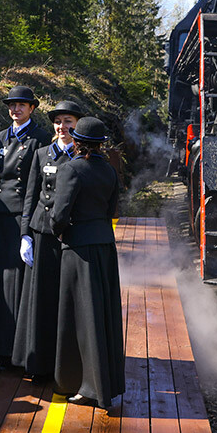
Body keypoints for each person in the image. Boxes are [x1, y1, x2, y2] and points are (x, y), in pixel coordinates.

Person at [50, 116, 124, 409]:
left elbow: (60, 213)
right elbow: (112, 208)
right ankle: (107, 384)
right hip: (104, 246)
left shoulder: (71, 169)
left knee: (80, 317)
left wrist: (58, 232)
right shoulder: (109, 170)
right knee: (102, 314)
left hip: (78, 248)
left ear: (77, 142)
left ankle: (82, 385)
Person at [12, 99, 84, 379]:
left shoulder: (82, 156)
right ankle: (38, 362)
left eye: (68, 122)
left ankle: (63, 364)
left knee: (64, 300)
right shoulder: (43, 154)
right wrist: (25, 234)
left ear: (77, 125)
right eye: (58, 122)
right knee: (40, 300)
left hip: (69, 236)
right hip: (42, 234)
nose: (63, 127)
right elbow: (30, 195)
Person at [0, 85, 50, 368]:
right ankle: (0, 346)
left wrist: (29, 229)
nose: (16, 109)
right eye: (12, 105)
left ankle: (20, 350)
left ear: (32, 108)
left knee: (20, 284)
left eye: (22, 105)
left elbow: (37, 185)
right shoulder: (1, 137)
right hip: (0, 216)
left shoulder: (41, 138)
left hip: (24, 218)